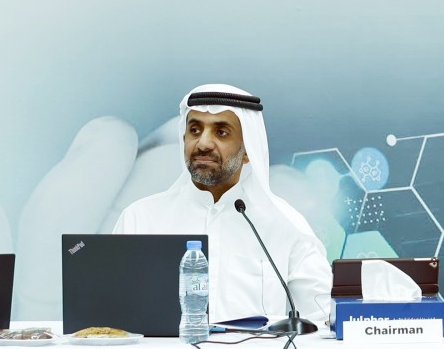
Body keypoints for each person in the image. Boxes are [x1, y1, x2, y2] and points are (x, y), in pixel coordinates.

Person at [112, 84, 331, 325]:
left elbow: (318, 324)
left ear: (248, 150)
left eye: (222, 132)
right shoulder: (139, 219)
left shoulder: (286, 224)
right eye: (195, 130)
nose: (203, 143)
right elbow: (113, 321)